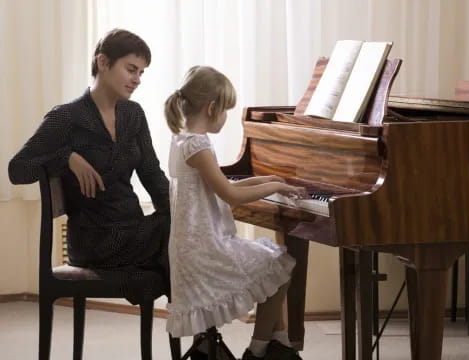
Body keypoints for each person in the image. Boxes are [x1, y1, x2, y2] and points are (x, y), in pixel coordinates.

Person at [8, 29, 171, 304]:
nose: (137, 80)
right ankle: (197, 331)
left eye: (142, 73)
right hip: (93, 240)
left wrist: (180, 210)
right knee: (180, 235)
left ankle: (195, 327)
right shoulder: (66, 117)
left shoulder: (134, 115)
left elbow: (152, 175)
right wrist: (65, 157)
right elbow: (18, 169)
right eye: (131, 69)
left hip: (133, 230)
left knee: (185, 228)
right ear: (103, 62)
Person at [164, 65, 307, 360]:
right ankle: (258, 351)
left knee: (274, 266)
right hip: (206, 251)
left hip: (197, 246)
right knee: (278, 268)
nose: (227, 117)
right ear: (212, 107)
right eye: (226, 110)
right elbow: (229, 195)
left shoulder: (183, 138)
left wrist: (271, 181)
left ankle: (277, 345)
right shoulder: (197, 144)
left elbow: (222, 182)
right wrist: (273, 188)